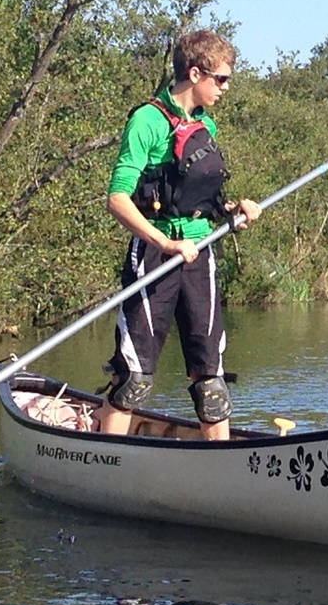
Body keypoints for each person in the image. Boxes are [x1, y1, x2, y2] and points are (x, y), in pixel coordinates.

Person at [96, 29, 261, 439]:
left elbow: (204, 199)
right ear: (194, 72)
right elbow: (117, 199)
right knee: (134, 379)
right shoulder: (147, 122)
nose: (226, 88)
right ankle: (105, 459)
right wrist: (164, 243)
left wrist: (234, 210)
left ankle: (220, 474)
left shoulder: (207, 127)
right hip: (155, 255)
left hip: (199, 254)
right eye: (221, 79)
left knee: (211, 383)